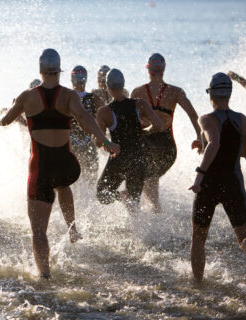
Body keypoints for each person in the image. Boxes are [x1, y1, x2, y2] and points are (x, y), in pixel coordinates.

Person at [0, 49, 120, 279]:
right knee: (63, 185)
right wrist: (105, 142)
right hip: (65, 164)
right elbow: (85, 119)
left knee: (39, 231)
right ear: (60, 71)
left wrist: (2, 116)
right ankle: (72, 227)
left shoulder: (27, 97)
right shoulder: (70, 96)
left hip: (40, 167)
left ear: (40, 71)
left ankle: (44, 276)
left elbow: (6, 121)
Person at [189, 72, 246, 282]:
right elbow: (238, 150)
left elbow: (215, 143)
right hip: (234, 184)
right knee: (243, 239)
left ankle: (198, 285)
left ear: (210, 94)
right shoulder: (241, 120)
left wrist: (198, 176)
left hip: (208, 185)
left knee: (198, 239)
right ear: (229, 95)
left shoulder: (206, 119)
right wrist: (203, 146)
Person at [131, 53, 202, 214]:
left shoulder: (137, 92)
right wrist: (200, 137)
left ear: (148, 69)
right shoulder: (176, 91)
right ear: (163, 70)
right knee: (151, 179)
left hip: (147, 142)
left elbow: (129, 121)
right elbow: (193, 115)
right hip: (168, 146)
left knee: (148, 180)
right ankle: (155, 216)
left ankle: (152, 219)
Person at [96, 69, 163, 213]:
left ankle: (121, 196)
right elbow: (159, 125)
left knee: (102, 194)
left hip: (119, 159)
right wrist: (146, 132)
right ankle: (139, 233)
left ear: (107, 87)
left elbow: (98, 142)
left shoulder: (104, 112)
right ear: (123, 85)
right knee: (134, 204)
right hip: (139, 158)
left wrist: (105, 141)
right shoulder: (140, 104)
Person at [69, 65, 104, 182]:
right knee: (91, 181)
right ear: (86, 79)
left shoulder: (66, 98)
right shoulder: (94, 98)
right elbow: (107, 118)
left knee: (71, 182)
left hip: (70, 144)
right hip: (89, 144)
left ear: (71, 79)